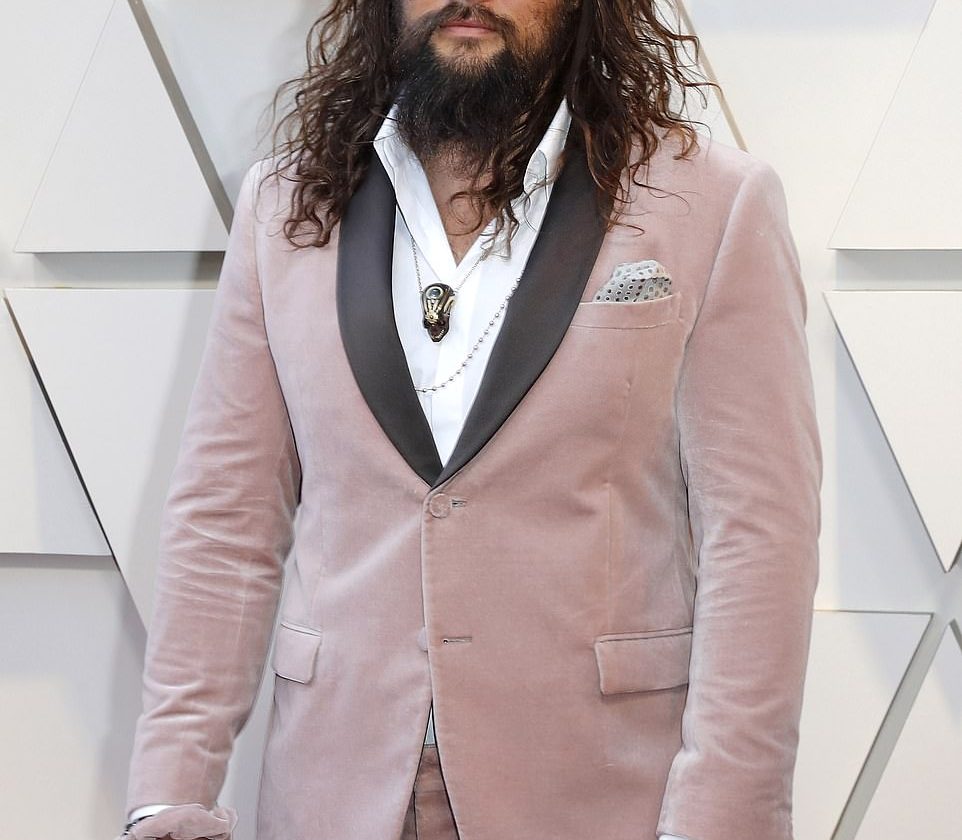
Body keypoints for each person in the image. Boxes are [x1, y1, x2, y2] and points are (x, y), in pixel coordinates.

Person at [118, 1, 822, 839]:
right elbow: (225, 518)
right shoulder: (286, 204)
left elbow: (759, 537)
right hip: (332, 790)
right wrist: (170, 793)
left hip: (600, 795)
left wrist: (726, 817)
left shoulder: (712, 203)